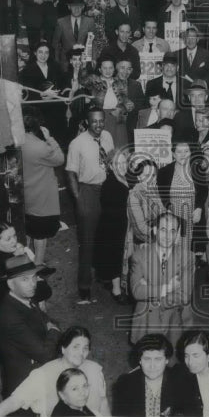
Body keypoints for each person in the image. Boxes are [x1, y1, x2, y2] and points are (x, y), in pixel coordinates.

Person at [0, 326, 110, 417]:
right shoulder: (43, 374)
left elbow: (103, 402)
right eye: (75, 347)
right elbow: (14, 401)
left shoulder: (94, 370)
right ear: (63, 348)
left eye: (85, 348)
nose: (81, 353)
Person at [65, 107, 114, 304]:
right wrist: (79, 198)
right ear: (87, 122)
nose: (99, 125)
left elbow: (110, 160)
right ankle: (84, 287)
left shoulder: (108, 136)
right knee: (87, 241)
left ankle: (105, 276)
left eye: (101, 121)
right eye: (94, 121)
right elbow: (70, 173)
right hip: (88, 190)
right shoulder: (77, 143)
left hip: (107, 190)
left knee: (106, 236)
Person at [0, 255, 60, 393]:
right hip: (26, 387)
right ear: (11, 284)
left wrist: (51, 326)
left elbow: (46, 319)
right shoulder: (10, 317)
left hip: (37, 372)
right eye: (25, 279)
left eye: (34, 277)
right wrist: (54, 331)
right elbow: (45, 354)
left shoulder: (24, 297)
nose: (33, 283)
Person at [128, 211, 195, 346]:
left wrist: (155, 298)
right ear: (154, 230)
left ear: (177, 234)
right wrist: (167, 288)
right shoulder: (139, 256)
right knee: (147, 359)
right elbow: (136, 291)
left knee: (173, 362)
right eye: (163, 230)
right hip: (147, 321)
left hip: (175, 319)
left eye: (172, 231)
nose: (168, 236)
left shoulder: (187, 257)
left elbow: (185, 295)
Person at [20, 115, 64, 266]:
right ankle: (38, 266)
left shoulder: (18, 142)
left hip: (25, 195)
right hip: (41, 198)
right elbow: (59, 159)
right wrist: (49, 138)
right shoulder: (40, 147)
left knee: (26, 232)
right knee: (40, 235)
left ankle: (24, 264)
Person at [112, 334, 182, 417]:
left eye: (158, 359)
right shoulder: (124, 384)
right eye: (147, 359)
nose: (152, 366)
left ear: (166, 360)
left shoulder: (180, 382)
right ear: (140, 360)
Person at [96, 149, 132, 303]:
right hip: (114, 228)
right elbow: (115, 212)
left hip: (119, 225)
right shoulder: (111, 185)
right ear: (110, 165)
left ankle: (113, 282)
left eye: (125, 162)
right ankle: (116, 291)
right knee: (117, 256)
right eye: (118, 163)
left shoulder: (123, 179)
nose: (122, 166)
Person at [126, 157, 165, 247]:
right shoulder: (134, 196)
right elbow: (140, 229)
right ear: (139, 177)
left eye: (153, 175)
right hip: (144, 244)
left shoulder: (156, 192)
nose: (151, 179)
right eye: (146, 175)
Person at [53, 0, 97, 71]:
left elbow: (93, 42)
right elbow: (55, 44)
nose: (77, 9)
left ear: (83, 7)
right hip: (66, 62)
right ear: (69, 7)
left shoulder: (90, 21)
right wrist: (56, 62)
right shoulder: (61, 22)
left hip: (84, 61)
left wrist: (94, 59)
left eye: (79, 6)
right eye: (73, 6)